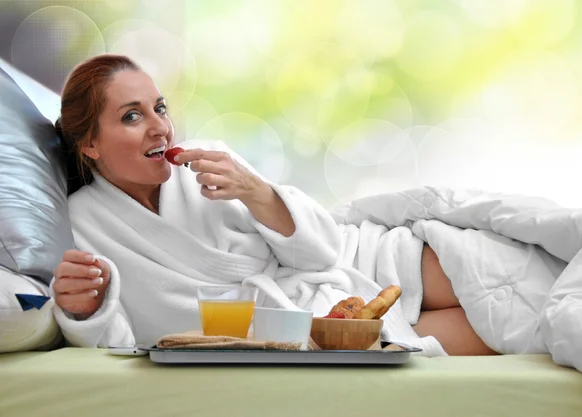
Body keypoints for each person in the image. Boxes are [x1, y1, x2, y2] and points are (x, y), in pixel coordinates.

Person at [49, 54, 504, 355]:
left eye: (160, 108)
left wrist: (255, 190)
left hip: (351, 260)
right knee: (505, 326)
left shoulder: (211, 159)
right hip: (308, 329)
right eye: (132, 116)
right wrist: (86, 313)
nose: (160, 128)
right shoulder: (84, 224)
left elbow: (321, 251)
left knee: (502, 276)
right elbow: (117, 343)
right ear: (89, 143)